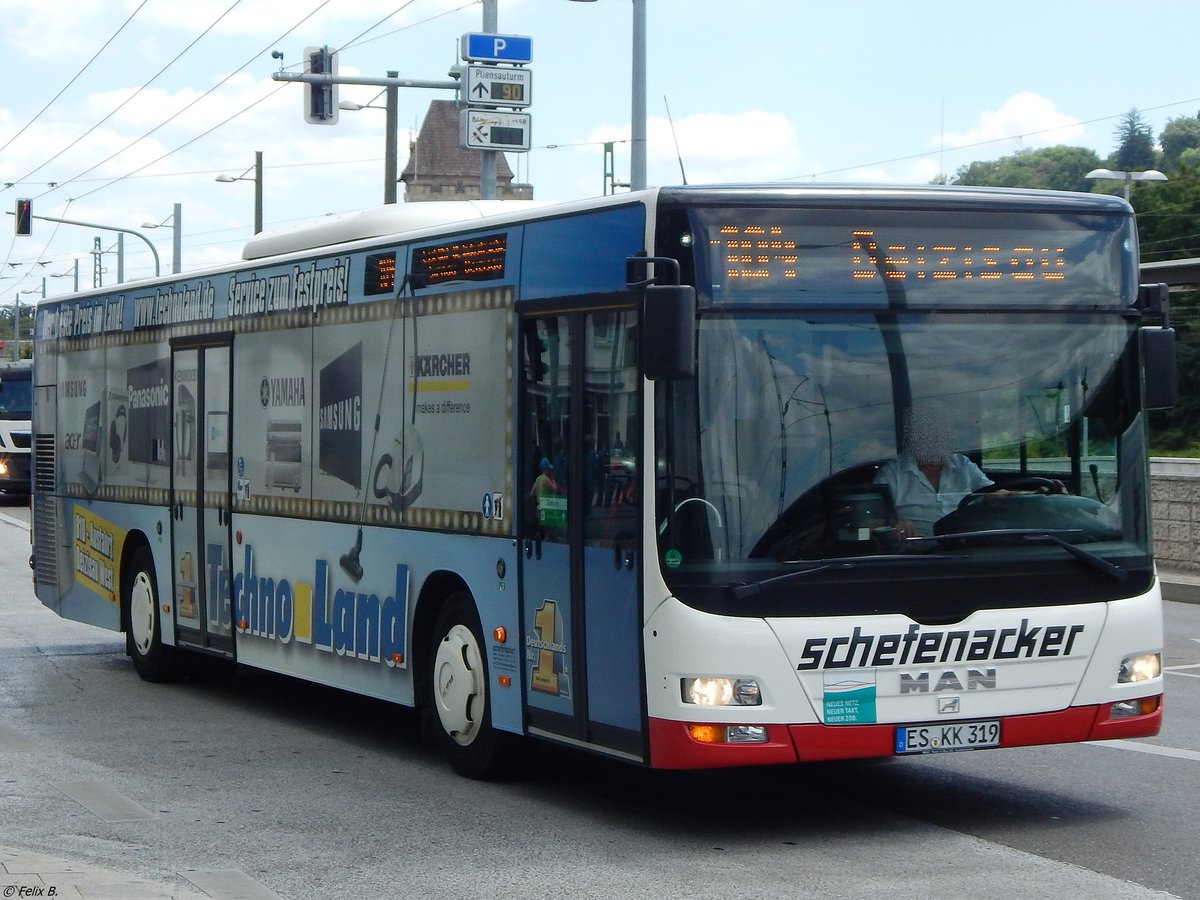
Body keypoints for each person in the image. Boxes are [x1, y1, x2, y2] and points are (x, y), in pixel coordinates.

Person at [873, 405, 992, 538]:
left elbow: (991, 493)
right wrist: (893, 524)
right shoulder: (892, 473)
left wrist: (1000, 495)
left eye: (942, 433)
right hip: (916, 552)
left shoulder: (963, 465)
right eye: (930, 433)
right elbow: (872, 520)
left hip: (965, 548)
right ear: (915, 436)